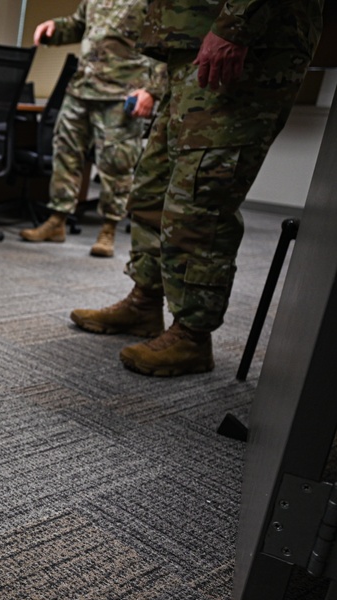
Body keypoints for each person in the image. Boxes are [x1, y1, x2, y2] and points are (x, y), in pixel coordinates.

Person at [70, 0, 324, 377]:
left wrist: (236, 25)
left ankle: (192, 335)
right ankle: (145, 301)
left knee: (200, 194)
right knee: (151, 185)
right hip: (187, 49)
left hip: (246, 46)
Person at [19, 0, 165, 259]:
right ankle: (57, 220)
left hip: (121, 93)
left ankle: (108, 229)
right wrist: (55, 28)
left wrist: (152, 91)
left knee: (116, 162)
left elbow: (163, 43)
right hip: (81, 89)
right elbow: (78, 25)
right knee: (64, 153)